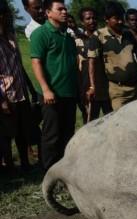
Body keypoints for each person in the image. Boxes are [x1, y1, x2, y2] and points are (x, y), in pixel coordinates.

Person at [30, 0, 77, 171]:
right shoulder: (41, 34)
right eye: (60, 9)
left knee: (67, 133)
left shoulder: (67, 35)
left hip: (69, 93)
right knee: (52, 135)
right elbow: (36, 62)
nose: (65, 12)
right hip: (51, 94)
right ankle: (49, 172)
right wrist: (46, 89)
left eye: (65, 8)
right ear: (48, 13)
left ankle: (64, 170)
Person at [0, 0, 35, 172]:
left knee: (23, 131)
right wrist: (2, 101)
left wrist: (30, 88)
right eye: (4, 15)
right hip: (6, 94)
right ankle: (8, 166)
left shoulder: (11, 36)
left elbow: (20, 65)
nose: (7, 17)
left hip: (20, 91)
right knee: (6, 134)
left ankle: (25, 163)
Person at [88, 1, 137, 111]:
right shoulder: (98, 36)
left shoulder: (129, 34)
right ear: (106, 19)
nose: (120, 21)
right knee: (120, 123)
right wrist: (92, 87)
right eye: (116, 18)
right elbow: (92, 63)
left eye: (121, 17)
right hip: (118, 91)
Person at [77, 7, 111, 122]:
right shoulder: (77, 41)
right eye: (88, 18)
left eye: (94, 18)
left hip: (106, 87)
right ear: (82, 22)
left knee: (111, 119)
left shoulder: (105, 38)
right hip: (87, 88)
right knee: (90, 121)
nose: (92, 21)